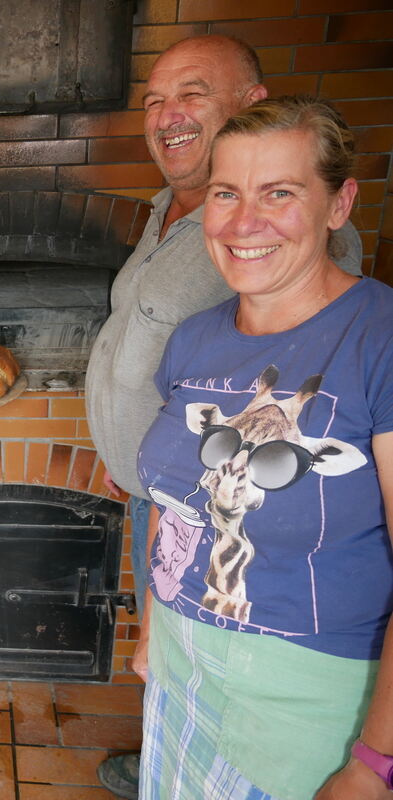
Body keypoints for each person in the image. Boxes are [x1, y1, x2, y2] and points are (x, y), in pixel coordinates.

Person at [84, 36, 362, 799]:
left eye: (191, 94)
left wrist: (373, 764)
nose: (166, 114)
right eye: (153, 101)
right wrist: (126, 453)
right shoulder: (168, 215)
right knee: (170, 666)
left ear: (249, 103)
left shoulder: (347, 313)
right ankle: (168, 752)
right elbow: (164, 364)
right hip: (160, 497)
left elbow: (312, 378)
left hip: (242, 531)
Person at [135, 95, 393, 799]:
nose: (244, 222)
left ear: (339, 204)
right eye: (226, 193)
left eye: (278, 193)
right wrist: (153, 622)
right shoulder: (195, 338)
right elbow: (174, 498)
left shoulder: (377, 338)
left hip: (309, 696)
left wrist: (375, 763)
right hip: (182, 665)